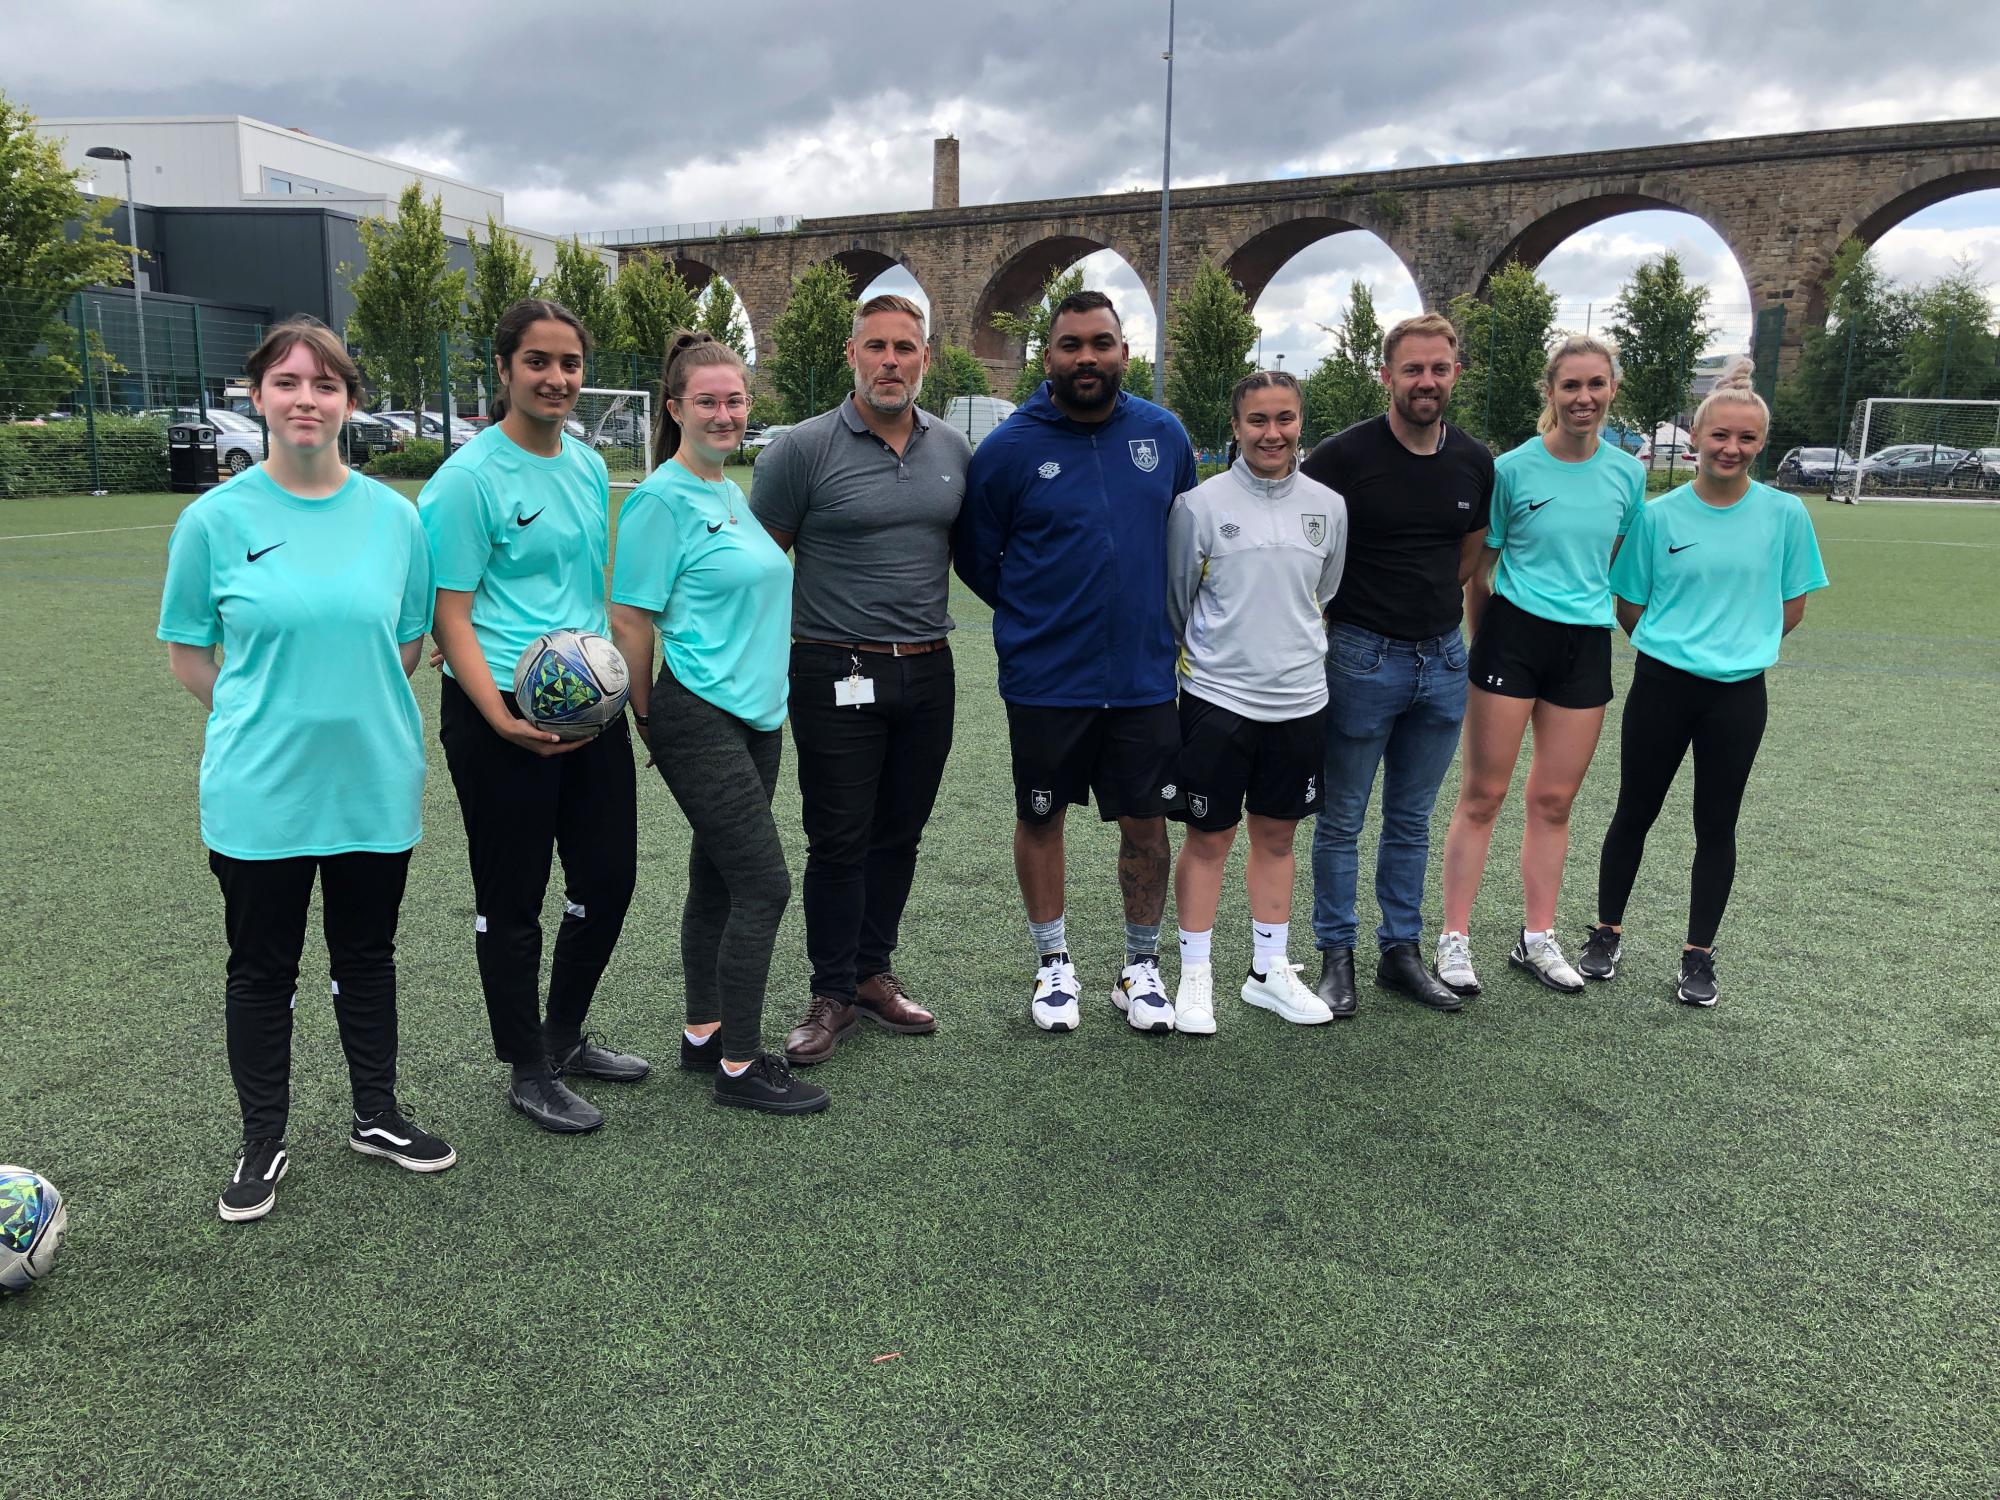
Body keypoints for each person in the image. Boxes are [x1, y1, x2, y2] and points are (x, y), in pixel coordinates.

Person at [159, 318, 455, 1223]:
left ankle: (376, 1114)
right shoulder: (213, 520)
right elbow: (188, 656)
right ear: (258, 396)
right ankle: (262, 1139)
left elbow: (407, 641)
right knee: (261, 970)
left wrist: (340, 711)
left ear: (350, 403)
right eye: (287, 383)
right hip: (260, 791)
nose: (305, 399)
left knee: (367, 956)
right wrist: (266, 715)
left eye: (325, 385)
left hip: (372, 780)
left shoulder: (395, 518)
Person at [421, 299, 646, 1136]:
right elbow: (451, 613)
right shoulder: (468, 480)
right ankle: (526, 1067)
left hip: (589, 706)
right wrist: (500, 717)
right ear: (505, 370)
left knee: (609, 881)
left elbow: (586, 591)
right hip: (501, 712)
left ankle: (565, 1036)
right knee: (513, 896)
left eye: (570, 364)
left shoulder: (588, 467)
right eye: (538, 362)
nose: (557, 379)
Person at [955, 289, 1199, 1035]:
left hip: (1144, 677)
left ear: (1125, 352)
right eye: (1070, 345)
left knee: (1147, 822)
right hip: (1046, 680)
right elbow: (976, 558)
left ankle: (1140, 967)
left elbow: (1184, 542)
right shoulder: (1007, 450)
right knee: (1042, 815)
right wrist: (1041, 616)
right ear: (1047, 356)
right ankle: (1054, 962)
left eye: (1101, 343)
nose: (1086, 357)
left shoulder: (1164, 434)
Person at [749, 294, 971, 1067]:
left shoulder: (953, 448)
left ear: (925, 359)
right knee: (839, 840)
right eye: (875, 346)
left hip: (928, 671)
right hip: (833, 668)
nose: (890, 361)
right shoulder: (801, 450)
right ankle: (832, 991)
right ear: (851, 355)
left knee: (899, 835)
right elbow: (754, 567)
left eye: (904, 348)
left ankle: (874, 975)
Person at [609, 332, 827, 1114]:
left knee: (718, 880)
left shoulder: (729, 492)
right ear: (675, 408)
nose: (725, 413)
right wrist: (645, 718)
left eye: (735, 399)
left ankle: (703, 1033)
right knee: (764, 886)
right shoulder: (661, 499)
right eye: (708, 400)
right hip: (696, 712)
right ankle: (740, 1066)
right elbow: (630, 616)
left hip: (758, 717)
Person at [1584, 356, 1828, 1006]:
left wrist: (1737, 645)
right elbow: (1629, 604)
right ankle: (1606, 933)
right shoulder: (1659, 518)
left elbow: (1793, 605)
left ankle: (1698, 955)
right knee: (1634, 811)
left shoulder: (1784, 516)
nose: (1732, 448)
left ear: (1761, 443)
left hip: (1739, 695)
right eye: (1720, 435)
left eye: (1746, 438)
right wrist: (1679, 647)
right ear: (1696, 437)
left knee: (1717, 826)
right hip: (1663, 685)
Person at [1435, 335, 1646, 997]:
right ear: (1550, 394)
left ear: (1611, 390)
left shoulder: (1628, 473)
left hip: (1583, 646)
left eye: (1596, 385)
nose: (1584, 398)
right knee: (1483, 796)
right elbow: (1481, 568)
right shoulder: (1514, 469)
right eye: (1570, 386)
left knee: (1553, 802)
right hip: (1511, 639)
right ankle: (1454, 940)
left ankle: (1537, 938)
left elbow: (1610, 562)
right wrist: (1486, 645)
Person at [1301, 312, 1493, 1017]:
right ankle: (1336, 957)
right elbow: (1306, 545)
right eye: (1412, 369)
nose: (1426, 381)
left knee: (1411, 820)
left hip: (1442, 660)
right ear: (1385, 375)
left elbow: (1467, 558)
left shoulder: (1475, 460)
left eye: (1439, 369)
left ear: (1455, 375)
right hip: (1361, 656)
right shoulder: (1343, 457)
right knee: (1343, 819)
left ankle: (1400, 954)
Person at [1167, 370, 1348, 1034]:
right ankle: (1194, 980)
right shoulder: (1200, 505)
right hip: (1218, 701)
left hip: (1301, 702)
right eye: (1258, 421)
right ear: (1236, 427)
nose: (1272, 433)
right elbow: (1177, 603)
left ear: (1301, 422)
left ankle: (1268, 973)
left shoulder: (1329, 507)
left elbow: (1321, 594)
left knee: (1276, 838)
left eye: (1285, 419)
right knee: (1208, 839)